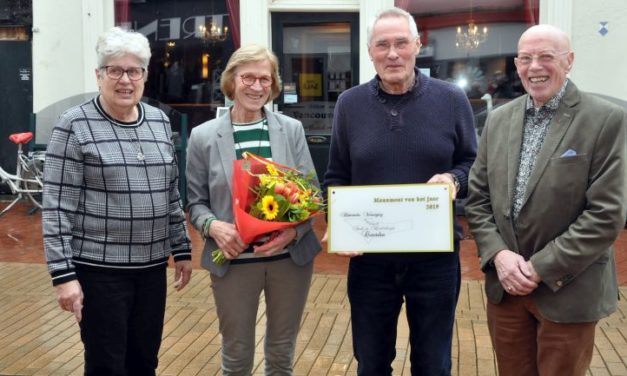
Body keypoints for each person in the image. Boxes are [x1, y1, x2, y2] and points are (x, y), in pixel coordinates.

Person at [464, 24, 627, 376]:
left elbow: (606, 214)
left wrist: (539, 268)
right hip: (507, 291)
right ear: (516, 64)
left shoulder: (606, 120)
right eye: (525, 58)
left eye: (546, 57)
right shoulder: (499, 120)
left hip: (568, 289)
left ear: (569, 61)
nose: (534, 67)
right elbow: (477, 199)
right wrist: (499, 256)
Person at [323, 7, 477, 375]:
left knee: (433, 363)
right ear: (370, 52)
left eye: (401, 43)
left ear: (417, 46)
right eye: (382, 45)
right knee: (371, 362)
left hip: (435, 259)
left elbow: (474, 164)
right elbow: (336, 175)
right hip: (370, 259)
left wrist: (454, 180)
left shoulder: (451, 99)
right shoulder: (349, 104)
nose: (392, 53)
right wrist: (337, 221)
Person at [42, 27, 192, 376]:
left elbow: (170, 193)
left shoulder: (158, 121)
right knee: (107, 366)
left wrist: (181, 248)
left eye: (134, 71)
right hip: (99, 272)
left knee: (144, 362)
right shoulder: (73, 126)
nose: (125, 80)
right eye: (115, 70)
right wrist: (63, 276)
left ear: (145, 76)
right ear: (99, 75)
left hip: (152, 269)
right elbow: (56, 209)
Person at [186, 44, 321, 375]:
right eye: (248, 77)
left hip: (290, 260)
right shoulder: (202, 137)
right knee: (236, 354)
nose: (257, 86)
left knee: (281, 352)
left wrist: (292, 231)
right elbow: (194, 202)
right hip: (233, 260)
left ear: (273, 84)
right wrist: (214, 227)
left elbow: (312, 194)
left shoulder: (291, 130)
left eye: (265, 78)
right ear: (232, 81)